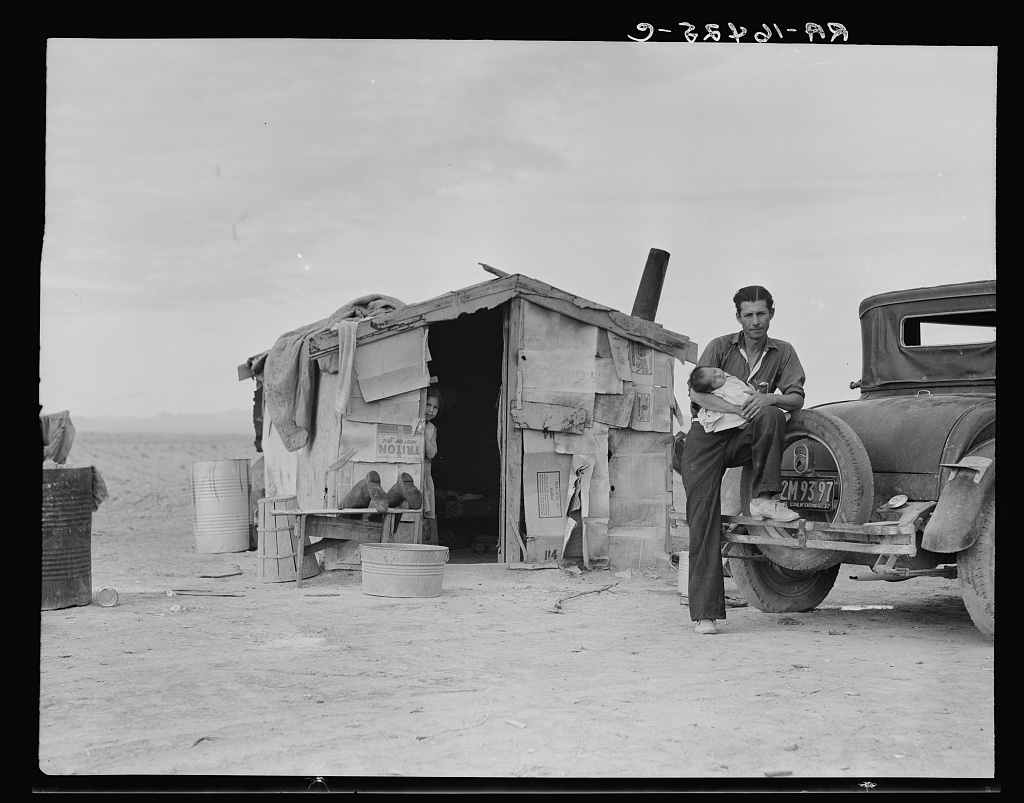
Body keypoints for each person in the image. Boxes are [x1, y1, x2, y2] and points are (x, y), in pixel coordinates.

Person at [680, 285, 806, 635]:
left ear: (771, 313)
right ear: (738, 317)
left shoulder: (784, 352)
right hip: (706, 439)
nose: (755, 321)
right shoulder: (720, 347)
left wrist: (769, 400)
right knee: (703, 519)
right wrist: (737, 407)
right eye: (748, 315)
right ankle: (706, 613)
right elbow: (696, 391)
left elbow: (795, 396)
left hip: (743, 437)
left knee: (772, 414)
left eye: (761, 314)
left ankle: (765, 499)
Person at [688, 366, 755, 433]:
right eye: (715, 379)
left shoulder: (725, 378)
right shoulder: (724, 392)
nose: (718, 375)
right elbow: (742, 400)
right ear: (710, 390)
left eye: (714, 370)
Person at [421, 386, 442, 546]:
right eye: (428, 405)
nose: (431, 410)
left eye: (435, 407)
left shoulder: (431, 429)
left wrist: (423, 432)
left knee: (427, 511)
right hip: (412, 474)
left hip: (424, 475)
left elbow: (432, 453)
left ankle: (426, 546)